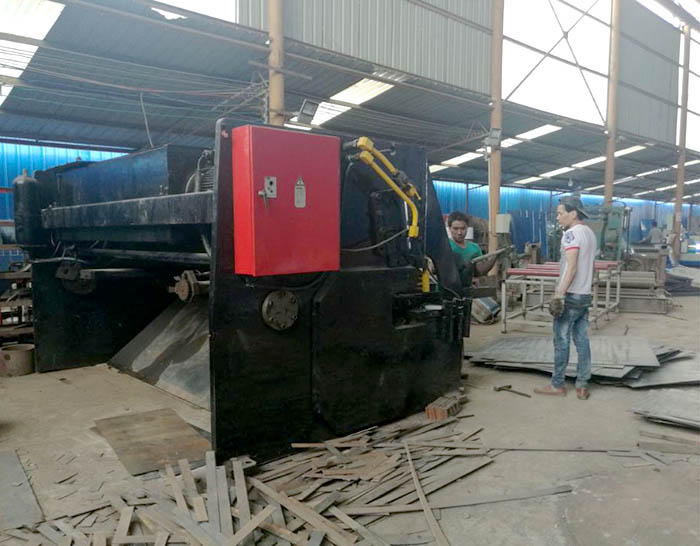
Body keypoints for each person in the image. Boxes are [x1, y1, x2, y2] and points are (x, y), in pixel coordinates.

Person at [535, 195, 597, 400]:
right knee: (582, 340)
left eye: (560, 213)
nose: (558, 217)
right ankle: (582, 385)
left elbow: (571, 267)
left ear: (573, 214)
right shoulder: (589, 233)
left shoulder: (571, 235)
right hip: (584, 294)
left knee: (561, 340)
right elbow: (591, 267)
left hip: (570, 295)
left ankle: (557, 384)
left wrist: (559, 295)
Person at [447, 211, 498, 286]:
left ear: (467, 228)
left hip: (467, 289)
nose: (459, 232)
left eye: (463, 228)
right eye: (455, 229)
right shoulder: (445, 246)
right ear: (449, 228)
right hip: (447, 289)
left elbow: (480, 271)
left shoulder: (474, 248)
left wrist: (495, 257)